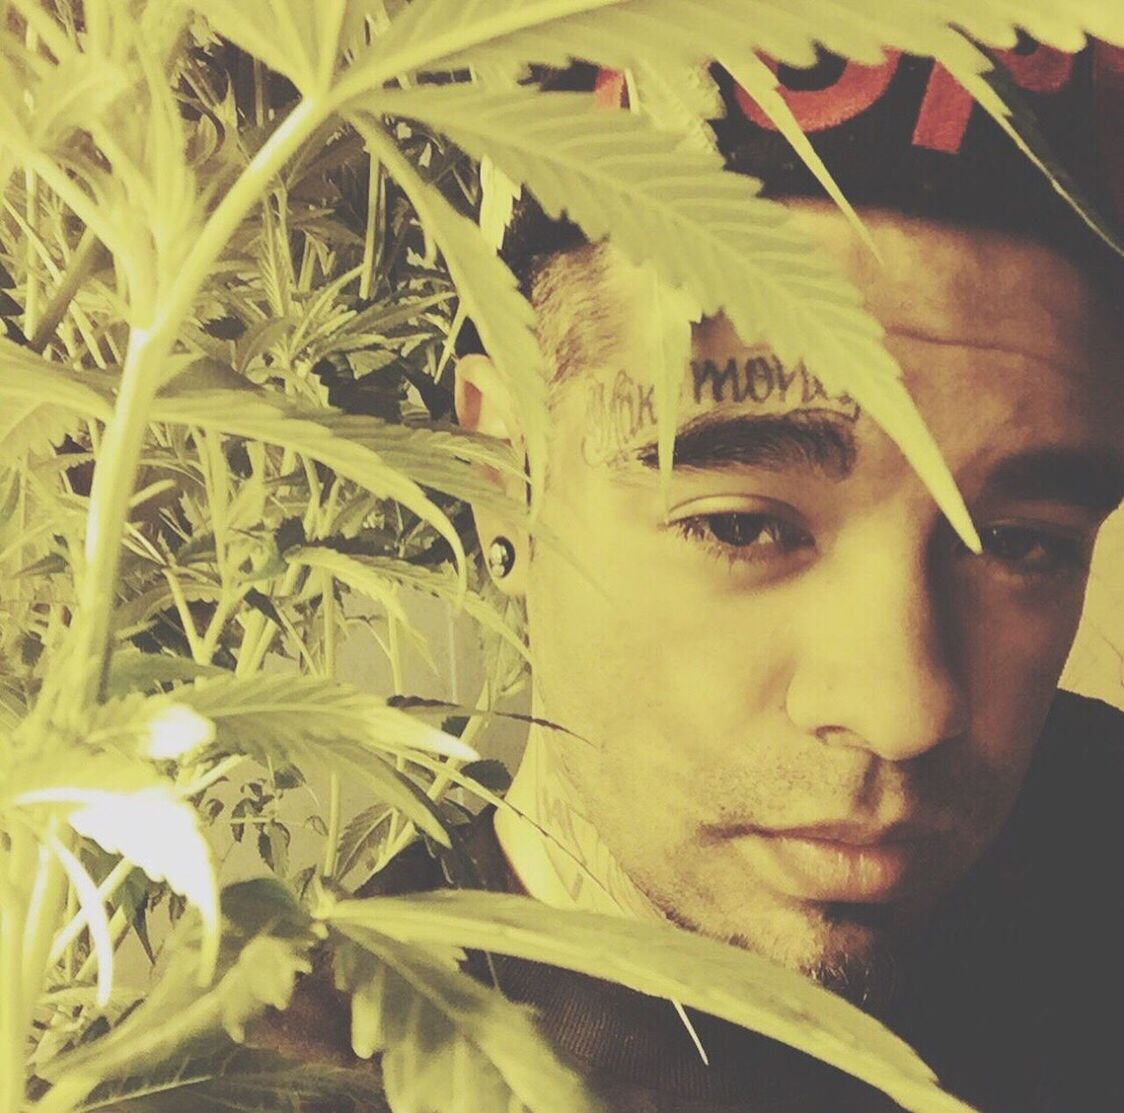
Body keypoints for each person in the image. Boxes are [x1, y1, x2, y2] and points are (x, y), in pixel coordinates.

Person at [265, 42, 1124, 1113]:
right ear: (502, 484)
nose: (906, 710)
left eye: (1019, 543)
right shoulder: (268, 1088)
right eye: (741, 525)